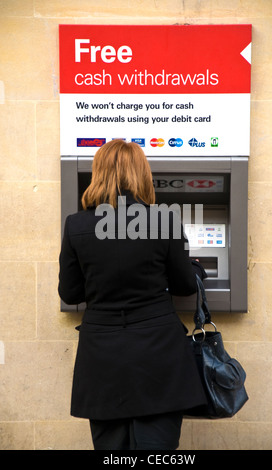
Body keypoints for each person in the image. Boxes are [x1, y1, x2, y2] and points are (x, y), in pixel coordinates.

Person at [58, 139, 207, 450]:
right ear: (142, 175)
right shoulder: (163, 220)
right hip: (158, 356)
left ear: (97, 173)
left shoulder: (76, 225)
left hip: (102, 359)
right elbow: (184, 286)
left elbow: (70, 293)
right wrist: (194, 267)